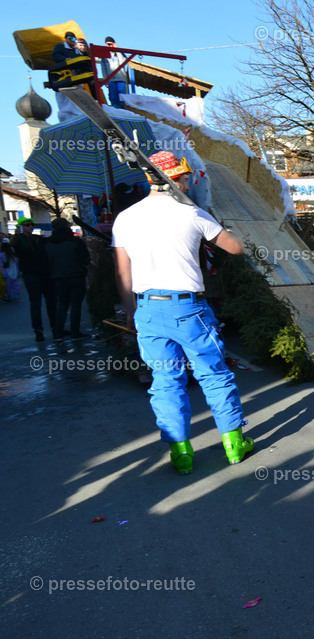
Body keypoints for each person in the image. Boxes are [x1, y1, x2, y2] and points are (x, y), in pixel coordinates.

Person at [111, 151, 253, 475]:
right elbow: (236, 247)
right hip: (189, 309)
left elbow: (122, 273)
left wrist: (132, 312)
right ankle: (234, 444)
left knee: (165, 382)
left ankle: (181, 454)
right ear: (175, 179)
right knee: (213, 376)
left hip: (148, 309)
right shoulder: (192, 213)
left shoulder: (126, 219)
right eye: (186, 178)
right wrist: (228, 228)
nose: (188, 184)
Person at [11, 218, 57, 341]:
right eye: (27, 224)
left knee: (51, 302)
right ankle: (38, 331)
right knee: (36, 304)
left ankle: (55, 327)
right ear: (21, 227)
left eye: (32, 224)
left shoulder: (38, 238)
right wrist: (15, 235)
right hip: (31, 275)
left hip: (45, 274)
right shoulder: (19, 239)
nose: (30, 226)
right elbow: (12, 244)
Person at [45, 218, 91, 339]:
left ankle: (58, 332)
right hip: (76, 276)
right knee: (76, 305)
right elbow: (85, 259)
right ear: (66, 226)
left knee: (62, 305)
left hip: (58, 278)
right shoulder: (75, 241)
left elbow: (46, 262)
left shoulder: (48, 243)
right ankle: (75, 331)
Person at [100, 37, 131, 108]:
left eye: (110, 44)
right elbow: (103, 67)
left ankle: (123, 110)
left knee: (122, 97)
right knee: (113, 97)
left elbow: (123, 62)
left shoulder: (120, 53)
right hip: (111, 79)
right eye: (107, 44)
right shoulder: (104, 55)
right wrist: (105, 79)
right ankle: (115, 110)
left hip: (121, 79)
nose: (109, 46)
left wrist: (117, 50)